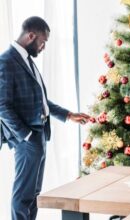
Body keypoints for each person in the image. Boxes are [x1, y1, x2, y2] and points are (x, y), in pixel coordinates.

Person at [0, 16, 90, 220]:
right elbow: (2, 105)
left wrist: (68, 115)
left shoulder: (26, 60)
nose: (43, 47)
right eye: (43, 42)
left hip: (39, 135)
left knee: (33, 195)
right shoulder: (6, 61)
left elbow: (40, 100)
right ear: (31, 36)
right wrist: (26, 135)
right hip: (27, 140)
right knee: (23, 195)